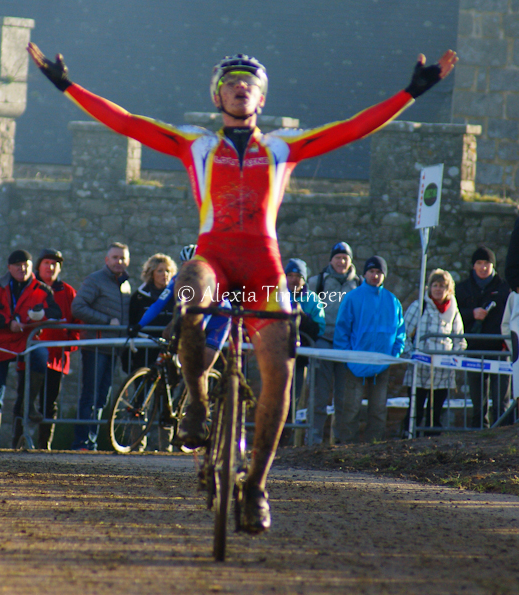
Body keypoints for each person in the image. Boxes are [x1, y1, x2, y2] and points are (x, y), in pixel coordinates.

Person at [28, 42, 456, 533]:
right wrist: (66, 85)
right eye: (230, 82)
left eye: (248, 83)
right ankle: (196, 398)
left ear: (260, 99)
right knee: (189, 291)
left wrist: (410, 93)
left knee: (279, 371)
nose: (239, 87)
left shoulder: (280, 146)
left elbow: (351, 129)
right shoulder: (197, 144)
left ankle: (254, 486)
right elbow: (127, 123)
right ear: (218, 97)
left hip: (263, 268)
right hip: (212, 259)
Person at [0, 249, 60, 449]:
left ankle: (28, 405)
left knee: (41, 354)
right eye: (18, 266)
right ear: (9, 268)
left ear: (32, 267)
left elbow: (55, 312)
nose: (22, 269)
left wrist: (40, 316)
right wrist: (7, 323)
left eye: (26, 265)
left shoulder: (42, 289)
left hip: (26, 342)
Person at [333, 256, 407, 444]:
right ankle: (346, 448)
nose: (375, 275)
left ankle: (374, 449)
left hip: (381, 364)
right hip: (354, 363)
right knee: (350, 408)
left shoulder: (392, 301)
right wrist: (348, 356)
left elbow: (400, 332)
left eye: (379, 272)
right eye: (372, 271)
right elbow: (342, 330)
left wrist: (393, 355)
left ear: (384, 275)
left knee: (378, 410)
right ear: (364, 273)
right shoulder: (353, 298)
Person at [70, 242, 131, 451]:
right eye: (115, 257)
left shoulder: (126, 285)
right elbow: (77, 307)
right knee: (90, 395)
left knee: (101, 398)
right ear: (107, 260)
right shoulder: (95, 280)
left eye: (122, 258)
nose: (119, 262)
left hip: (114, 349)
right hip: (96, 346)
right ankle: (81, 442)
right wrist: (106, 321)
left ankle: (91, 442)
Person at [306, 242, 360, 445]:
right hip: (323, 343)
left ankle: (341, 443)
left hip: (347, 346)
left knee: (344, 398)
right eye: (338, 257)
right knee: (319, 395)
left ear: (351, 261)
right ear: (331, 260)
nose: (341, 261)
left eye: (345, 257)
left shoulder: (359, 284)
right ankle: (313, 441)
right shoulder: (317, 282)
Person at [454, 247, 510, 428]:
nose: (483, 267)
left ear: (493, 265)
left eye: (487, 263)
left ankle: (503, 436)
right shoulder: (462, 289)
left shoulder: (504, 288)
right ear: (473, 266)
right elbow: (453, 315)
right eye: (479, 263)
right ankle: (479, 437)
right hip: (473, 349)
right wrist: (472, 314)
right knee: (478, 403)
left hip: (499, 349)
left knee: (501, 401)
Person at [404, 268, 465, 433]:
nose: (438, 289)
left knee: (436, 415)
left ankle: (432, 447)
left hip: (442, 373)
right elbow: (403, 334)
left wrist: (455, 360)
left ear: (448, 289)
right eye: (435, 285)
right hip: (419, 371)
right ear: (429, 287)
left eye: (442, 286)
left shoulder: (453, 311)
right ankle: (408, 443)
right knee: (414, 412)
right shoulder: (419, 306)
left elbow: (459, 339)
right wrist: (411, 355)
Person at [34, 249, 80, 450]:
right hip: (31, 356)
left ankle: (45, 445)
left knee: (49, 403)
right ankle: (18, 442)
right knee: (24, 400)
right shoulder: (30, 288)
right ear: (39, 266)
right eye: (47, 263)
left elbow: (77, 322)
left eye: (55, 264)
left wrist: (68, 346)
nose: (50, 268)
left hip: (56, 358)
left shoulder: (68, 292)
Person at [283, 258, 325, 402]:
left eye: (298, 277)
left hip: (300, 358)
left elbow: (319, 329)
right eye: (290, 276)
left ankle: (291, 424)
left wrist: (302, 317)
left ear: (304, 279)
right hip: (276, 356)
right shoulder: (275, 296)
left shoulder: (313, 300)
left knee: (294, 398)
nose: (294, 280)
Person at [127, 253, 178, 372]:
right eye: (160, 271)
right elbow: (132, 320)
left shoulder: (177, 296)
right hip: (144, 347)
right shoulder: (139, 296)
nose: (165, 274)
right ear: (151, 273)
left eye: (168, 271)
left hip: (168, 346)